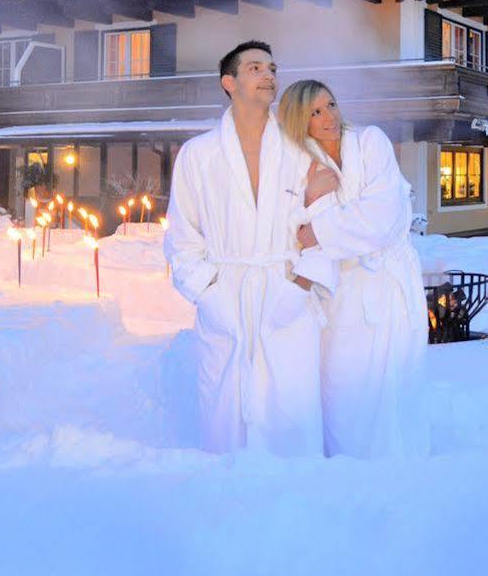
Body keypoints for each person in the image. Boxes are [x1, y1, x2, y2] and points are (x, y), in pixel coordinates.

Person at [162, 41, 326, 455]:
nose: (269, 75)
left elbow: (325, 226)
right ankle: (227, 505)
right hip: (227, 294)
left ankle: (298, 508)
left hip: (285, 289)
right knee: (226, 412)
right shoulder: (198, 155)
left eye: (272, 67)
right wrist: (210, 296)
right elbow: (183, 237)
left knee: (291, 408)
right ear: (229, 82)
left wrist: (300, 288)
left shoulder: (300, 149)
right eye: (255, 68)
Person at [276, 79, 429, 458]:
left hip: (391, 286)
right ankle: (350, 472)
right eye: (315, 111)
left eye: (331, 104)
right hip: (341, 288)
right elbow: (291, 227)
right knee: (343, 385)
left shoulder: (369, 143)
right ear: (299, 120)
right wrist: (313, 200)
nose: (328, 117)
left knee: (396, 381)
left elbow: (382, 218)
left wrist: (321, 228)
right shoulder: (297, 163)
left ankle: (406, 466)